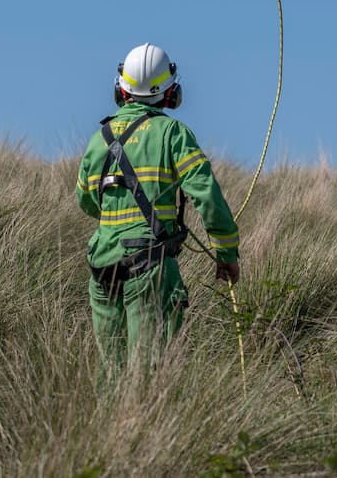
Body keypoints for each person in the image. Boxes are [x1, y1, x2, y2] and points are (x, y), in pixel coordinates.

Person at [76, 42, 240, 365]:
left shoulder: (101, 138)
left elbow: (86, 200)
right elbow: (205, 194)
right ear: (170, 95)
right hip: (150, 266)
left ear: (120, 90)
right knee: (151, 374)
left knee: (113, 374)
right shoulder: (172, 134)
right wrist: (226, 253)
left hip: (102, 267)